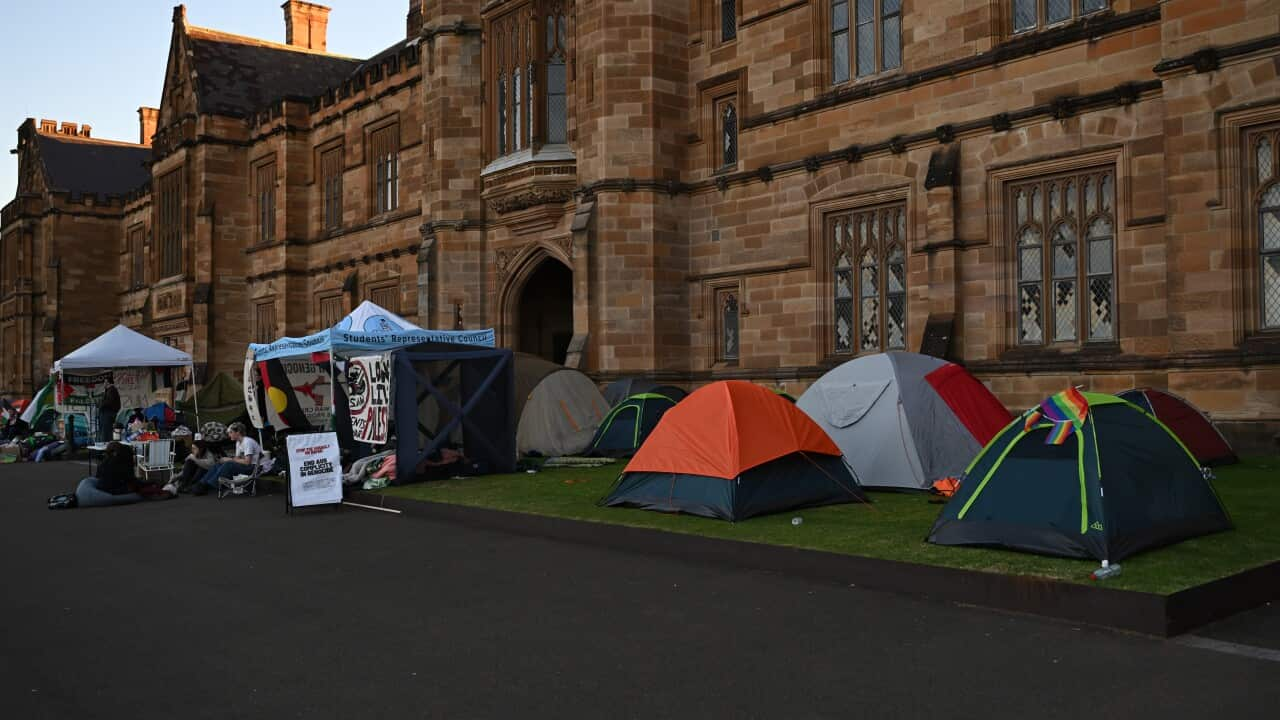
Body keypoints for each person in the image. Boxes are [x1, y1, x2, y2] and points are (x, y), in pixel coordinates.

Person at [193, 422, 261, 495]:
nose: (229, 435)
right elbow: (237, 458)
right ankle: (202, 483)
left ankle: (209, 485)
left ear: (238, 432)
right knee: (218, 464)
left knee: (228, 464)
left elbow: (247, 462)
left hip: (254, 467)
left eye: (231, 432)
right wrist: (227, 459)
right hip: (246, 465)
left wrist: (230, 460)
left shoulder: (247, 442)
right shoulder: (238, 442)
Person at [72, 441, 144, 508]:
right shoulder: (122, 462)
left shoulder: (104, 462)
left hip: (102, 488)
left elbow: (98, 477)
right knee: (135, 489)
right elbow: (128, 478)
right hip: (113, 490)